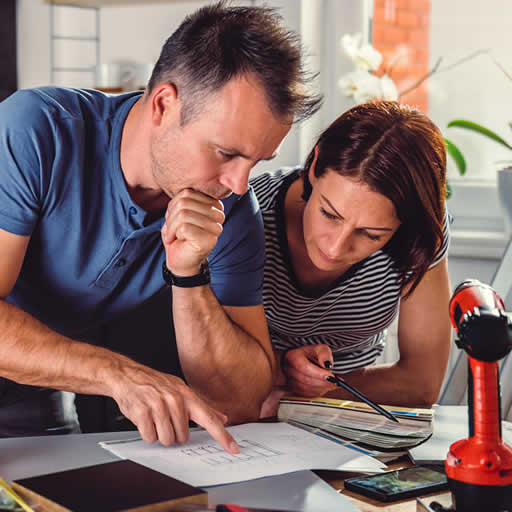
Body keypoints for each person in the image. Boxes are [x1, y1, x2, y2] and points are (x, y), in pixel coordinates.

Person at [0, 2, 322, 448]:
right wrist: (117, 375)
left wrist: (189, 274)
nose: (239, 183)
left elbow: (243, 400)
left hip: (65, 388)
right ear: (164, 105)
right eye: (227, 153)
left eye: (257, 161)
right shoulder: (36, 130)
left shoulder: (232, 208)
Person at [251, 101, 451, 416]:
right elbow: (205, 359)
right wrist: (276, 369)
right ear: (314, 168)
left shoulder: (420, 233)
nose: (335, 249)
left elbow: (422, 383)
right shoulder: (246, 216)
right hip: (247, 408)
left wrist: (310, 393)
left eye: (371, 234)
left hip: (346, 414)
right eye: (329, 214)